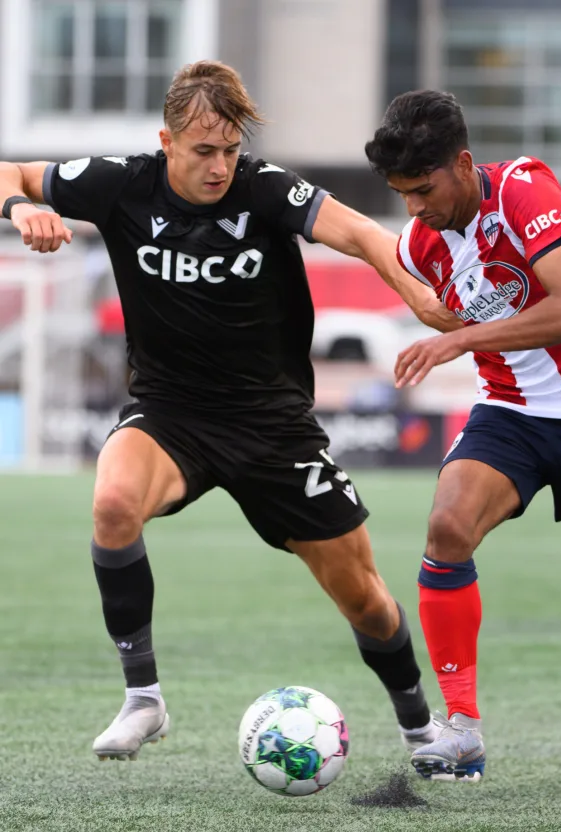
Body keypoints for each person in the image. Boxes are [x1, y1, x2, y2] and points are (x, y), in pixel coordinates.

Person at [0, 62, 458, 762]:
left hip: (274, 426)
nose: (220, 166)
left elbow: (365, 235)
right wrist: (21, 207)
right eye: (203, 151)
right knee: (113, 503)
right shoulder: (122, 183)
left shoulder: (267, 189)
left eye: (230, 150)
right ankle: (143, 699)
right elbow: (10, 171)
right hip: (171, 414)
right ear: (167, 141)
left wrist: (417, 296)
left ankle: (419, 726)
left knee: (362, 596)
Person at [364, 89, 561, 782]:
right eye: (401, 194)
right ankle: (463, 730)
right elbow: (397, 265)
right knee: (447, 526)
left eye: (422, 189)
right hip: (510, 411)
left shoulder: (524, 190)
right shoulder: (422, 241)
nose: (414, 207)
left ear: (464, 163)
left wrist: (461, 340)